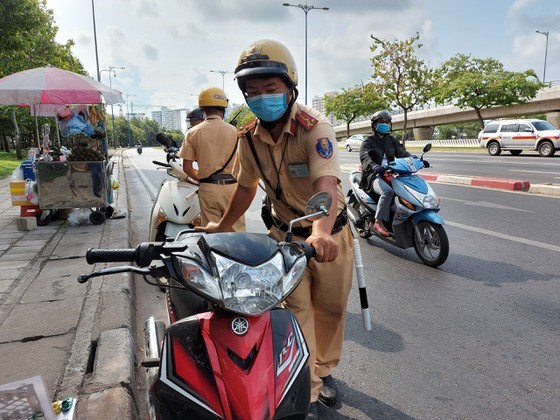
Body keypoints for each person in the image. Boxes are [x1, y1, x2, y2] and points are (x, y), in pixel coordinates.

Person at [199, 39, 354, 419]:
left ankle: (324, 367)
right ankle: (310, 387)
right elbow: (246, 188)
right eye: (252, 92)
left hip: (329, 236)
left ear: (289, 88)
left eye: (270, 90)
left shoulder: (315, 129)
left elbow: (327, 185)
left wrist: (320, 231)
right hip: (283, 238)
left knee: (330, 309)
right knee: (296, 310)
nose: (261, 98)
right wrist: (220, 224)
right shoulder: (247, 138)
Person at [179, 87, 245, 232]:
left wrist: (202, 180)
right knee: (237, 233)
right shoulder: (236, 131)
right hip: (233, 189)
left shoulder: (193, 132)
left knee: (213, 235)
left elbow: (187, 168)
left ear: (203, 109)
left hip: (208, 189)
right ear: (224, 108)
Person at [359, 110, 412, 237]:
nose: (385, 125)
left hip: (390, 173)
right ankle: (378, 221)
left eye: (387, 122)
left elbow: (402, 153)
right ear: (374, 125)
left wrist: (414, 159)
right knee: (387, 192)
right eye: (381, 122)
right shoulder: (368, 142)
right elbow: (365, 158)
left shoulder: (391, 140)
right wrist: (374, 166)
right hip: (373, 175)